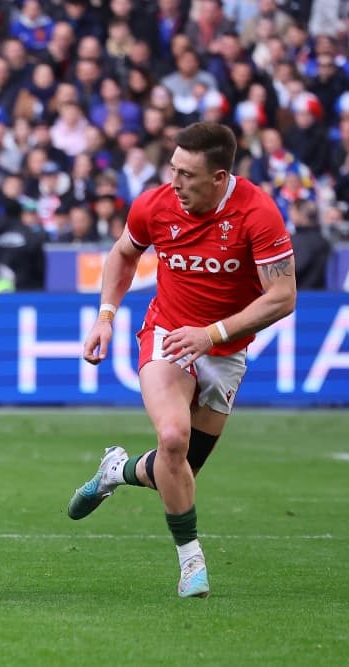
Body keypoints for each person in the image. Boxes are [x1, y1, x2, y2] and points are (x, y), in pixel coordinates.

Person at [68, 122, 297, 598]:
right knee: (172, 439)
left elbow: (283, 296)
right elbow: (123, 254)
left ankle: (118, 469)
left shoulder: (257, 212)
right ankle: (191, 560)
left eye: (188, 175)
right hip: (168, 334)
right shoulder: (155, 204)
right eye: (173, 169)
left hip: (225, 349)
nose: (175, 183)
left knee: (179, 469)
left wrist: (212, 334)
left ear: (219, 177)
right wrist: (105, 316)